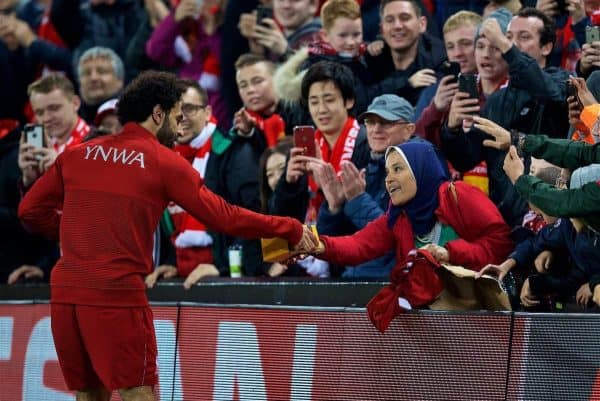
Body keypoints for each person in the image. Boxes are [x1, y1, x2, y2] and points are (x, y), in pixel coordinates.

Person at [18, 70, 318, 401]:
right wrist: (289, 228)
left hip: (66, 294)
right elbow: (226, 217)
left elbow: (29, 211)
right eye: (176, 116)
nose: (178, 128)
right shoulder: (164, 162)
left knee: (89, 395)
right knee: (138, 392)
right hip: (116, 295)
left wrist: (76, 236)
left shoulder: (76, 154)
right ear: (157, 114)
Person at [313, 141, 513, 286]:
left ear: (421, 169)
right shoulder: (398, 216)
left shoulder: (458, 194)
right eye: (387, 172)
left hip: (478, 311)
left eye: (398, 169)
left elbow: (500, 244)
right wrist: (312, 244)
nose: (389, 179)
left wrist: (452, 253)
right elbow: (357, 246)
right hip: (429, 313)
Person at [18, 73, 90, 190]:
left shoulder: (98, 142)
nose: (46, 118)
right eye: (40, 112)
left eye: (54, 108)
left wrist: (62, 170)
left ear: (75, 103)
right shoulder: (43, 150)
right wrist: (29, 181)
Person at [77, 47, 125, 124]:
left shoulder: (133, 119)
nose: (93, 78)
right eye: (87, 73)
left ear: (120, 80)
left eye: (102, 72)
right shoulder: (69, 122)